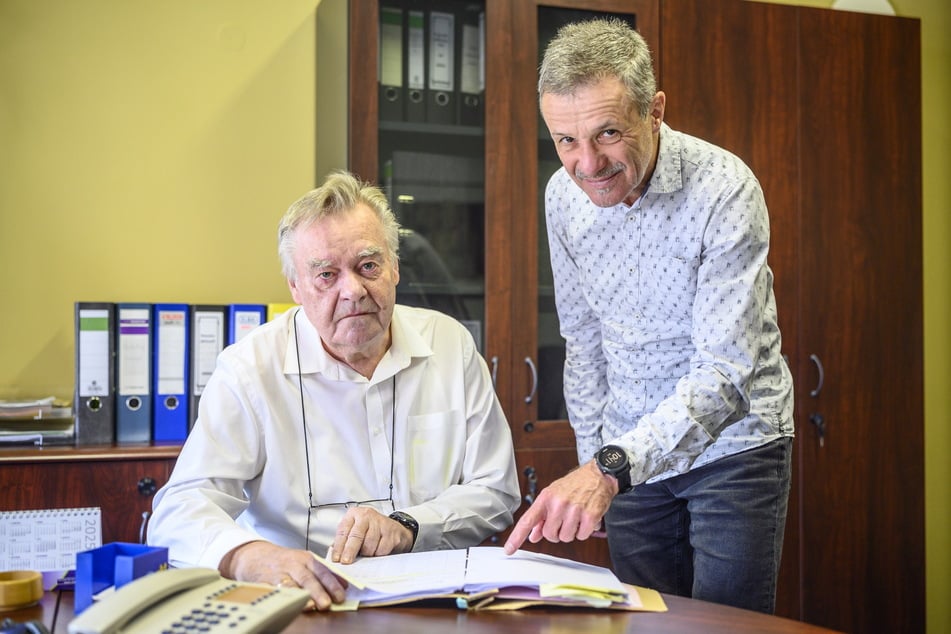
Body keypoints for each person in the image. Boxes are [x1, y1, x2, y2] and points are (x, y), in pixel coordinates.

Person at [503, 19, 795, 615]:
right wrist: (596, 466)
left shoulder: (724, 189)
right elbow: (583, 343)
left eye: (608, 132)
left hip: (733, 449)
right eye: (564, 140)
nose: (587, 164)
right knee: (644, 620)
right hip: (627, 456)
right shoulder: (563, 196)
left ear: (654, 110)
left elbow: (726, 372)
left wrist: (607, 471)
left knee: (726, 626)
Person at [148, 170, 520, 611]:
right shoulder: (250, 368)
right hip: (302, 605)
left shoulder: (449, 345)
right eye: (326, 274)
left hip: (431, 602)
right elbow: (179, 508)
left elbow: (496, 491)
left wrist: (410, 525)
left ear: (394, 267)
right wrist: (250, 558)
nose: (353, 291)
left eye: (368, 266)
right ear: (296, 288)